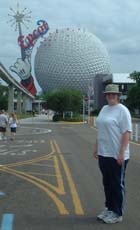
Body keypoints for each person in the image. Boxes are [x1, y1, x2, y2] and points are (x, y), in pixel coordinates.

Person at [93, 84, 132, 224]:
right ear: (105, 96)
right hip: (104, 153)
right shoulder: (104, 109)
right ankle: (109, 208)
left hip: (117, 155)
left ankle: (117, 213)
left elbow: (126, 132)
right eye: (109, 94)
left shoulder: (123, 111)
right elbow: (100, 130)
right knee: (107, 183)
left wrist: (121, 153)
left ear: (118, 96)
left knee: (117, 184)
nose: (111, 96)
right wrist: (96, 147)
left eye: (113, 94)